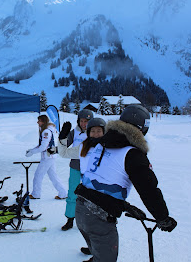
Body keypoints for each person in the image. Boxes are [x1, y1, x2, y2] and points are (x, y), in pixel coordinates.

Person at [59, 105, 177, 262]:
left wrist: (122, 204)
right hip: (99, 217)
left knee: (97, 249)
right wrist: (163, 217)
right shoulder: (133, 154)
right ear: (142, 129)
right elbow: (148, 189)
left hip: (81, 209)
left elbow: (103, 175)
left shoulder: (100, 143)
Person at [60, 109, 94, 231]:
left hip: (90, 169)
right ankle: (70, 219)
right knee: (72, 193)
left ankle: (89, 220)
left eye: (87, 121)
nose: (84, 124)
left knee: (90, 195)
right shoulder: (74, 132)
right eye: (82, 121)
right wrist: (62, 136)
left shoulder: (94, 132)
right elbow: (64, 146)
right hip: (75, 166)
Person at [25, 114, 67, 199]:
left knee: (38, 175)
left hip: (48, 157)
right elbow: (41, 145)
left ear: (43, 122)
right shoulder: (46, 130)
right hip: (49, 156)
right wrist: (32, 150)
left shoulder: (46, 132)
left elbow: (43, 147)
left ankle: (36, 194)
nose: (38, 122)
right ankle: (63, 193)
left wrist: (32, 152)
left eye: (39, 120)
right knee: (53, 176)